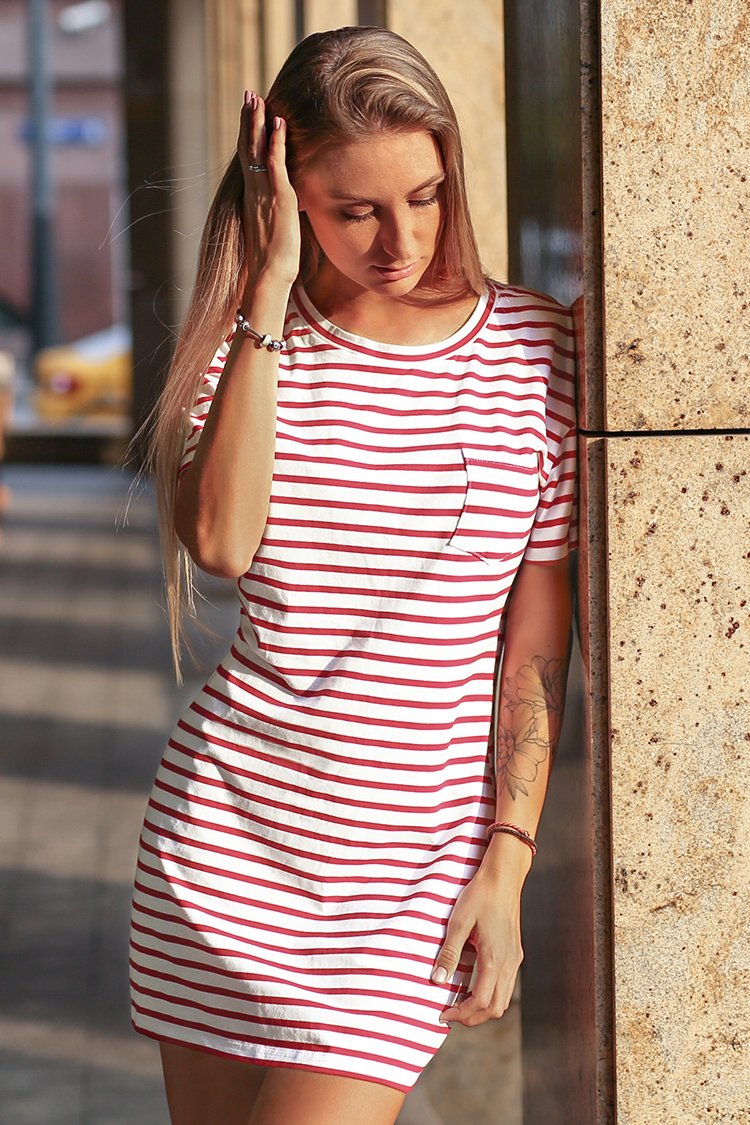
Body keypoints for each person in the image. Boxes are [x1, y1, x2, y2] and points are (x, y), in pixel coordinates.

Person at [128, 25, 577, 1125]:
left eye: (424, 196)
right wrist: (269, 290)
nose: (400, 239)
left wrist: (507, 869)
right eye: (353, 208)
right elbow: (224, 545)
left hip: (408, 878)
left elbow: (533, 644)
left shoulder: (536, 350)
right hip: (226, 848)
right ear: (285, 193)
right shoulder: (245, 357)